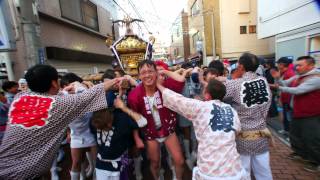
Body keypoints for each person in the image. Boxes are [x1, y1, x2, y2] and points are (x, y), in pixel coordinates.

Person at [0, 64, 123, 179]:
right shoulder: (60, 104)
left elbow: (46, 98)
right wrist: (118, 80)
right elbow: (89, 95)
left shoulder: (19, 97)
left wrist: (63, 91)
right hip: (21, 175)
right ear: (54, 83)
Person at [157, 78, 248, 179]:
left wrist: (159, 85)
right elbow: (237, 131)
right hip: (234, 169)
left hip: (209, 171)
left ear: (207, 95)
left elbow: (177, 99)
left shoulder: (199, 107)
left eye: (204, 89)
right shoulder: (230, 110)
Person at [128, 60, 185, 180]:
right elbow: (134, 118)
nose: (147, 75)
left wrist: (164, 71)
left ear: (156, 73)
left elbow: (180, 81)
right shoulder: (134, 96)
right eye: (143, 72)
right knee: (154, 163)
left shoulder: (165, 85)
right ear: (139, 76)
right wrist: (137, 137)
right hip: (150, 134)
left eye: (150, 71)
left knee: (179, 161)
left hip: (168, 130)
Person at [223, 53, 273, 179]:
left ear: (241, 66)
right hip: (262, 133)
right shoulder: (263, 81)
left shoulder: (235, 84)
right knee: (264, 171)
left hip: (243, 135)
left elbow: (219, 93)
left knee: (243, 171)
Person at [272, 56, 320, 173]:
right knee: (295, 134)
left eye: (300, 65)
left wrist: (279, 87)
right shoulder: (299, 76)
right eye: (296, 65)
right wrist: (278, 79)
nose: (297, 68)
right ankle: (300, 153)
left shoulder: (316, 78)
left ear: (310, 65)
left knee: (311, 138)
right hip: (298, 111)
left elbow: (298, 90)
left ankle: (315, 162)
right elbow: (285, 83)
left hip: (311, 113)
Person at [60, 73, 97, 180]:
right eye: (65, 86)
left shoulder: (85, 95)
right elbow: (65, 120)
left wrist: (84, 87)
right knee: (76, 162)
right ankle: (82, 176)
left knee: (95, 162)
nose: (70, 88)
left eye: (72, 85)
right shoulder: (64, 99)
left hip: (91, 133)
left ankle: (94, 175)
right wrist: (68, 132)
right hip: (76, 135)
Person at [272, 57, 295, 135]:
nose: (277, 65)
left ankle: (290, 132)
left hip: (287, 99)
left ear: (282, 64)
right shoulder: (283, 72)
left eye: (278, 64)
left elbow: (287, 87)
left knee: (288, 117)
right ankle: (286, 130)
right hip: (284, 97)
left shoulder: (289, 73)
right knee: (285, 116)